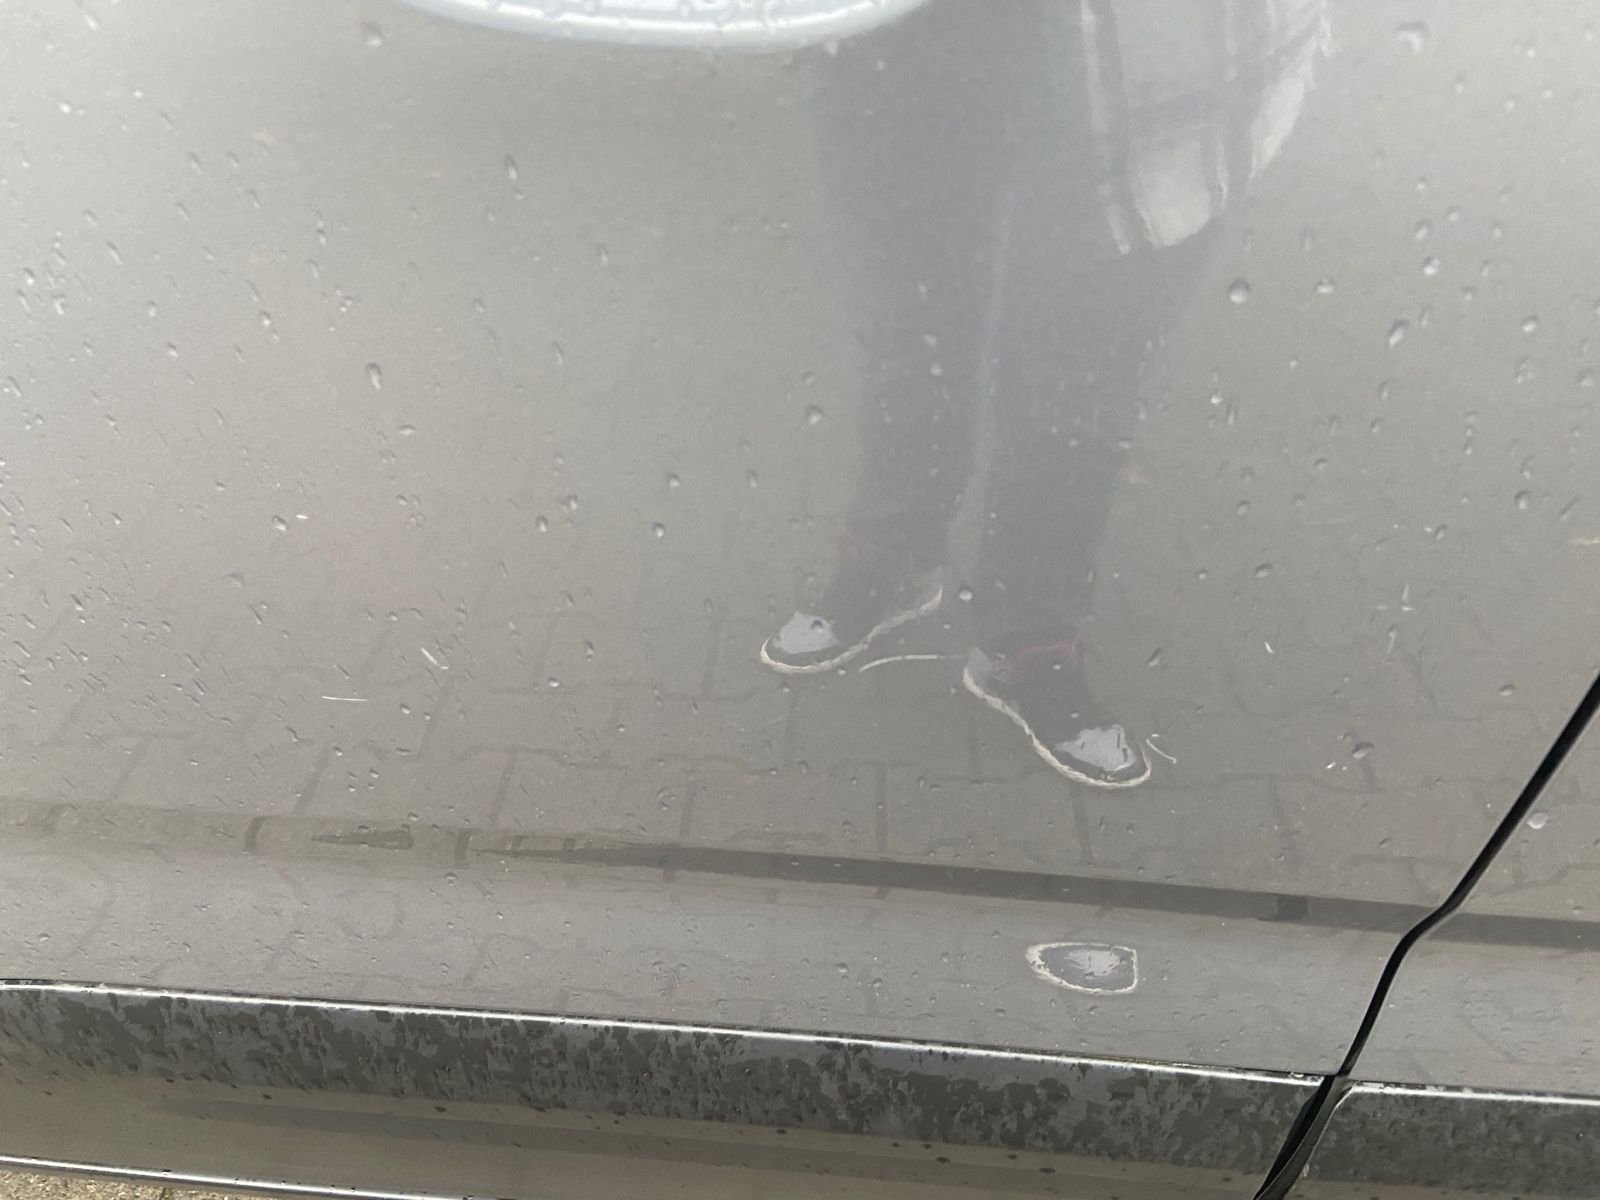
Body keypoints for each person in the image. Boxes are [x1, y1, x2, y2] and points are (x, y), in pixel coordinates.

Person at [761, 0, 1328, 788]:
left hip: (1151, 59)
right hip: (889, 38)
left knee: (1077, 388)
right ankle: (894, 558)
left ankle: (1026, 642)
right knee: (909, 335)